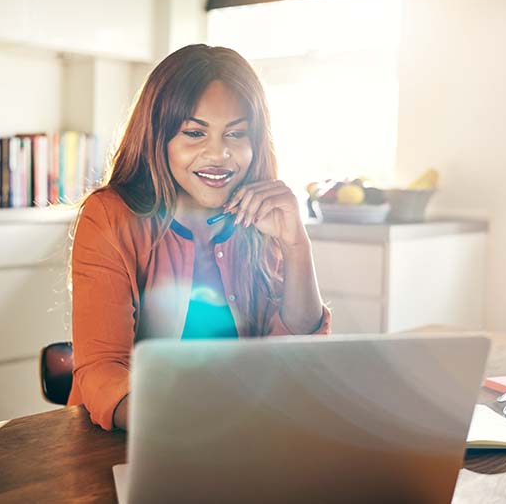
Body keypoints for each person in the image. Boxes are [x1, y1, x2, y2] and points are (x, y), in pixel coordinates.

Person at [67, 44, 331, 431]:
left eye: (236, 134)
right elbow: (103, 367)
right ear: (158, 138)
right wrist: (177, 425)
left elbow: (295, 355)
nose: (219, 154)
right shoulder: (109, 215)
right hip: (137, 439)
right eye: (194, 132)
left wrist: (296, 247)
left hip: (241, 436)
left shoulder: (259, 219)